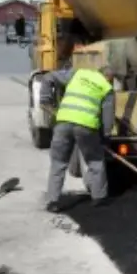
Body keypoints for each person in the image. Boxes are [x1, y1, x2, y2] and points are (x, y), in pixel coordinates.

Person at [41, 64, 117, 212]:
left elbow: (48, 76)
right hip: (86, 126)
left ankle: (52, 202)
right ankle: (99, 198)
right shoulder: (107, 88)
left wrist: (45, 99)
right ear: (108, 77)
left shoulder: (78, 73)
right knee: (95, 161)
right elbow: (108, 117)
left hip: (63, 122)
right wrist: (105, 136)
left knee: (58, 163)